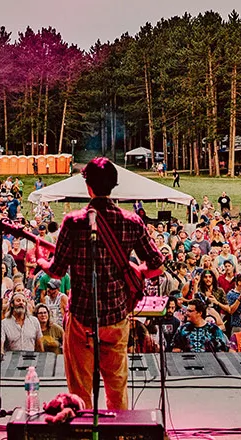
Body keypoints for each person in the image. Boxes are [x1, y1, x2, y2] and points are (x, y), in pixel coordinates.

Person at [39, 158, 164, 410]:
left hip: (82, 318)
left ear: (88, 186)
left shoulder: (73, 222)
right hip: (117, 317)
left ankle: (85, 431)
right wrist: (137, 271)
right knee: (116, 385)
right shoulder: (131, 222)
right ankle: (118, 432)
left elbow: (57, 270)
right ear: (113, 186)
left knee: (80, 388)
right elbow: (157, 265)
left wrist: (41, 260)